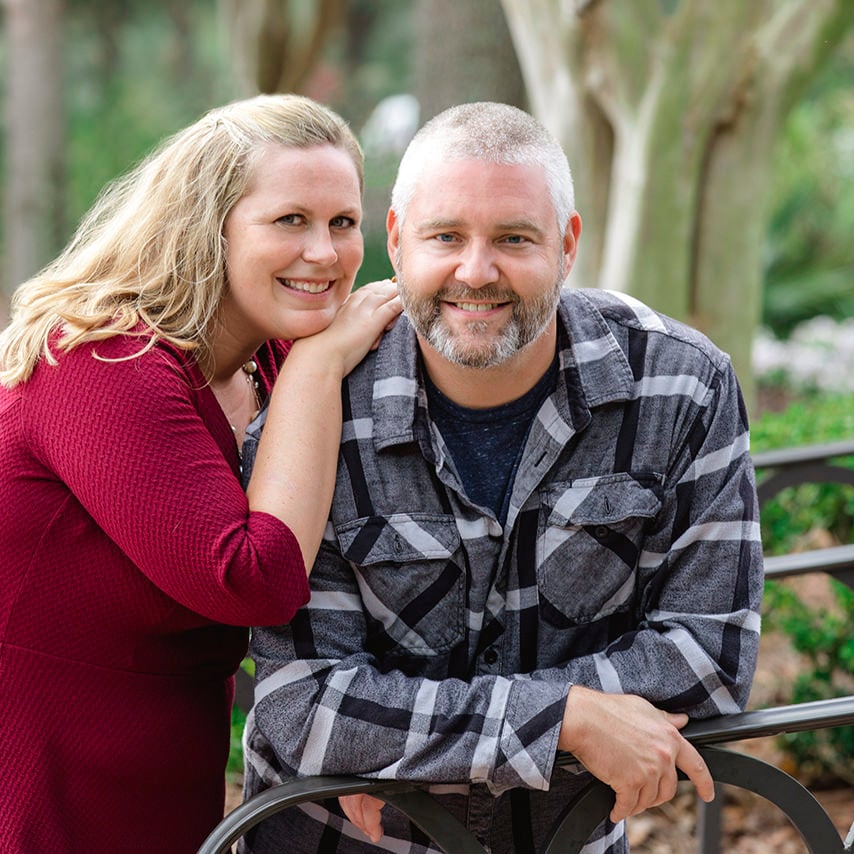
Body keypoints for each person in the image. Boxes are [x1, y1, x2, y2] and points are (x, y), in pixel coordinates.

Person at [0, 94, 402, 853]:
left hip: (150, 794)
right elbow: (255, 578)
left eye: (344, 223)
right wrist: (318, 372)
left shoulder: (271, 362)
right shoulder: (100, 360)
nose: (327, 252)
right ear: (207, 228)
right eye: (290, 221)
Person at [240, 101, 763, 853]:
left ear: (567, 243)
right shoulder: (318, 418)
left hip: (563, 840)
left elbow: (707, 657)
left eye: (514, 239)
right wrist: (571, 722)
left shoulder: (679, 388)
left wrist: (403, 744)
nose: (476, 272)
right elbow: (305, 705)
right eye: (445, 236)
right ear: (396, 239)